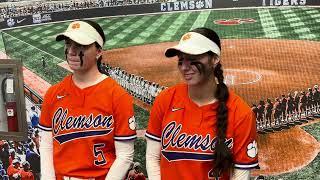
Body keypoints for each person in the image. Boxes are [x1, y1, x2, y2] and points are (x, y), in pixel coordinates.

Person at [145, 28, 259, 180]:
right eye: (181, 60)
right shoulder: (165, 100)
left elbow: (240, 175)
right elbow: (153, 158)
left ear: (214, 59)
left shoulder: (240, 113)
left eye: (193, 59)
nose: (185, 67)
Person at [38, 20, 137, 180]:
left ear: (98, 51)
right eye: (68, 44)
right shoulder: (53, 93)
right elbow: (46, 145)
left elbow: (125, 156)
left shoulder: (117, 96)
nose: (71, 51)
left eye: (80, 46)